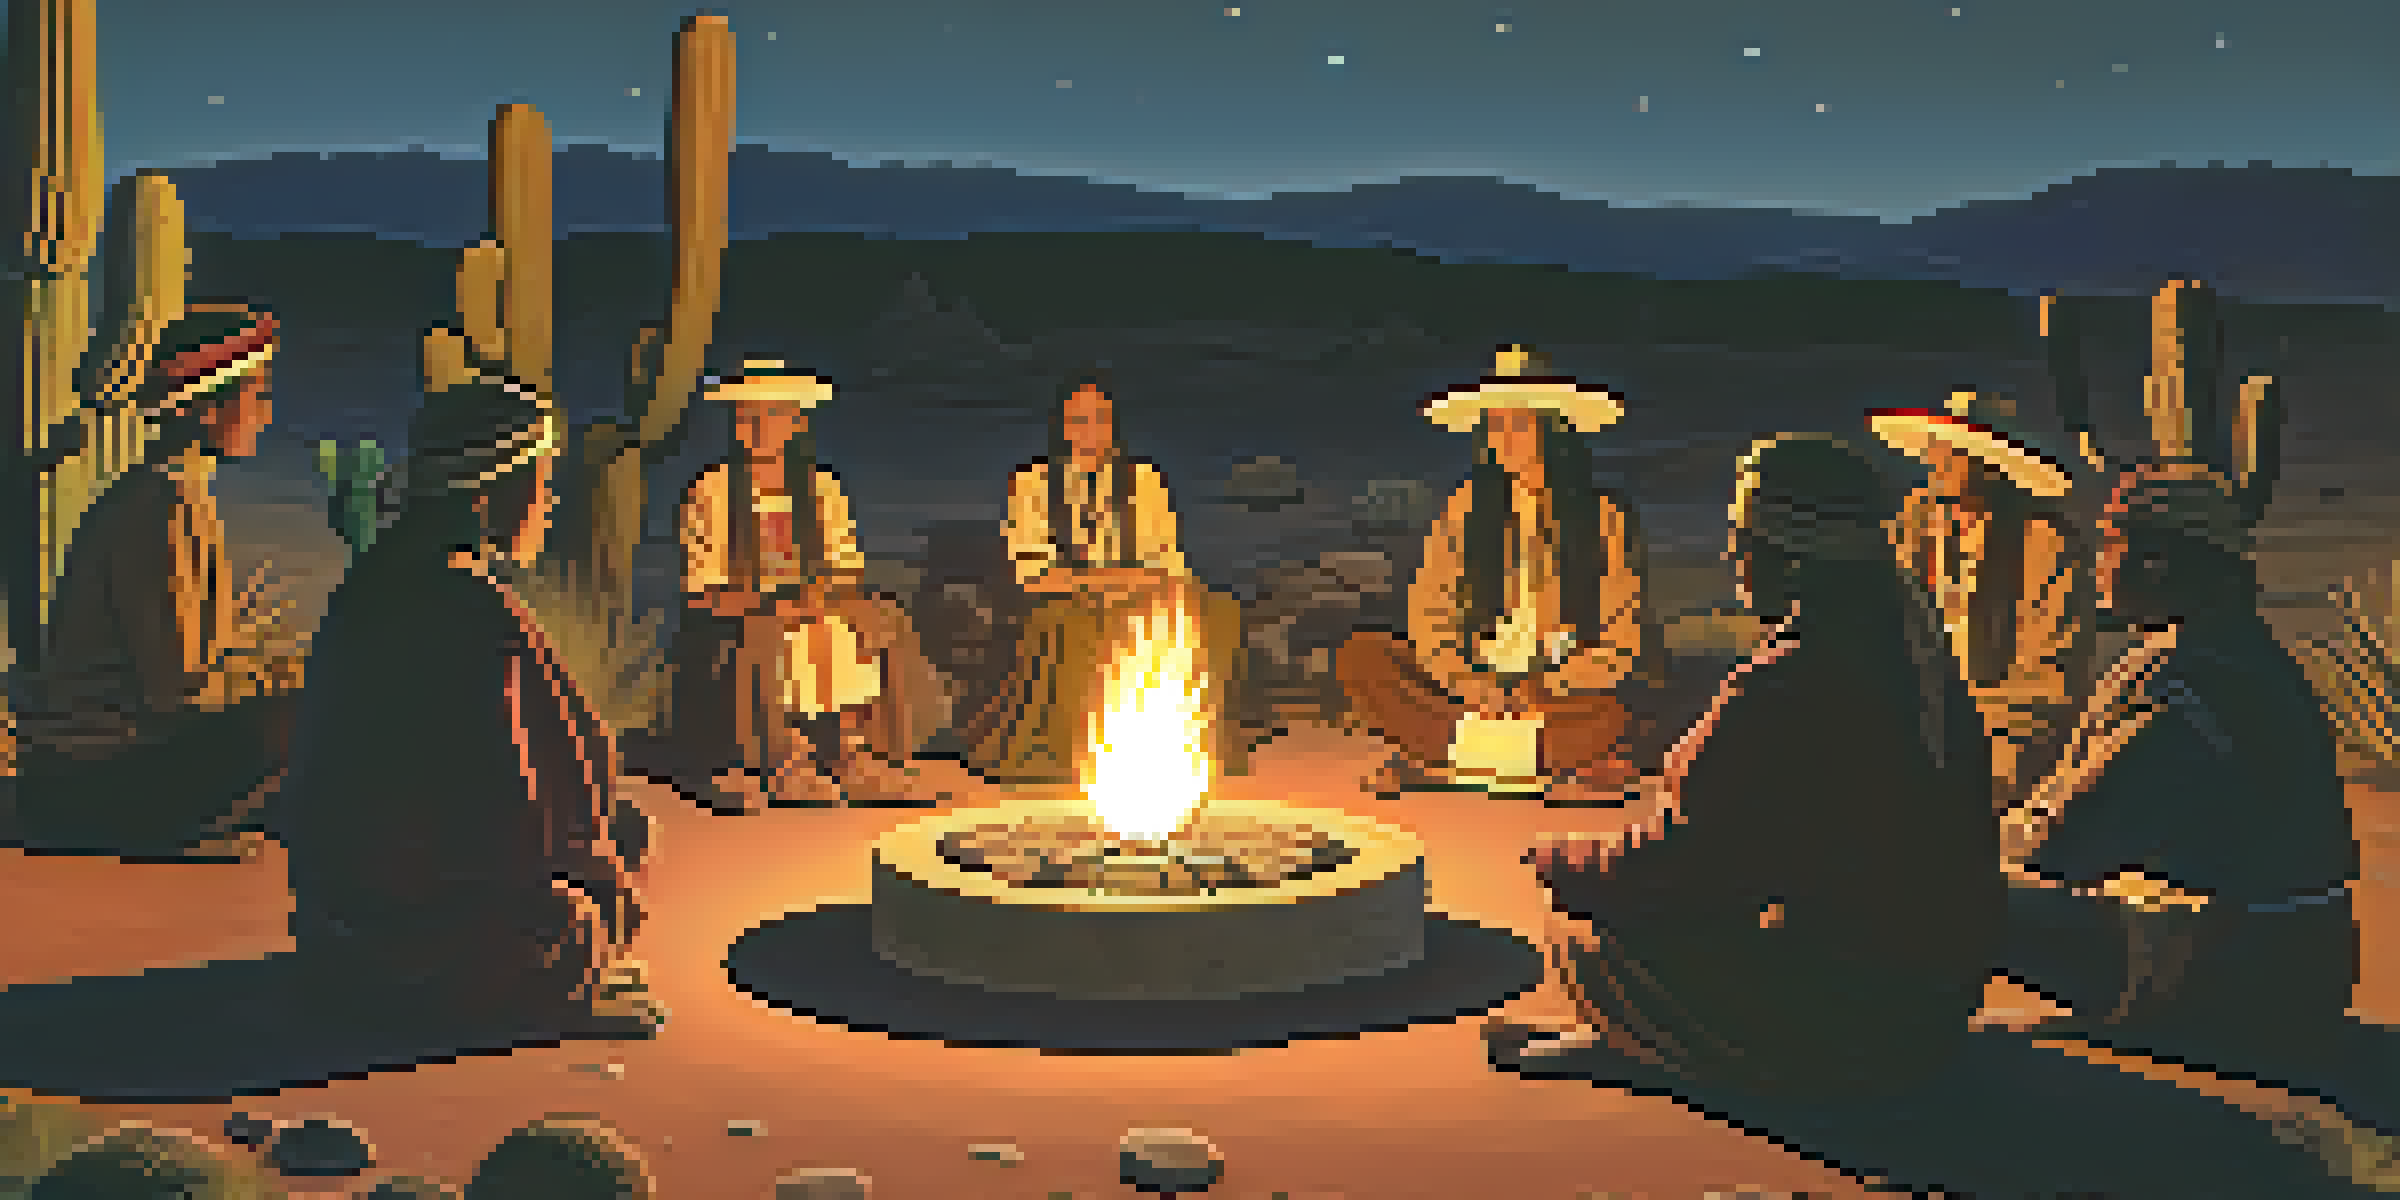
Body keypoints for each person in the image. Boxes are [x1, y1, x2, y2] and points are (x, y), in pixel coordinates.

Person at [1495, 433, 2002, 1099]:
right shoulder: (1912, 649)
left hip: (1865, 1019)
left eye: (1742, 542)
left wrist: (1561, 859)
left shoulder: (1788, 682)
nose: (1733, 561)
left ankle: (1676, 1050)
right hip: (1936, 1005)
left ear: (1787, 558)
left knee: (1579, 928)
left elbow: (1680, 864)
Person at [275, 376, 661, 1038]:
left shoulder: (376, 577)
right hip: (421, 936)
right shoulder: (470, 603)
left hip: (339, 921)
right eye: (541, 483)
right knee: (600, 874)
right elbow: (506, 803)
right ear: (492, 492)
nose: (549, 503)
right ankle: (544, 993)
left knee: (611, 837)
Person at [1999, 457, 2362, 1081]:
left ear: (2156, 562)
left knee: (1947, 891)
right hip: (2302, 961)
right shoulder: (2244, 654)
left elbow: (2065, 842)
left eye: (2108, 544)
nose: (2096, 566)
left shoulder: (2181, 680)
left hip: (2242, 971)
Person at [6, 304, 304, 861]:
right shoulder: (162, 508)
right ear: (209, 408)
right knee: (298, 718)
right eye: (257, 395)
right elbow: (177, 689)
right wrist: (278, 676)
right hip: (91, 781)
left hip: (97, 770)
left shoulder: (174, 497)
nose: (266, 414)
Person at [1335, 345, 1651, 805]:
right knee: (1363, 657)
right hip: (1472, 686)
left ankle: (1447, 758)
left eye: (1518, 426)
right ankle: (1522, 761)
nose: (1504, 440)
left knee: (1611, 716)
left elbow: (1622, 640)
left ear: (1553, 432)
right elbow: (1430, 613)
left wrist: (1545, 686)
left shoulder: (1603, 517)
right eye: (1495, 427)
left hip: (1552, 691)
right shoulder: (1466, 508)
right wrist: (1471, 685)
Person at [665, 359, 946, 811]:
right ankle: (786, 758)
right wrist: (769, 601)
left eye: (773, 415)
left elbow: (843, 564)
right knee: (771, 631)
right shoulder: (713, 491)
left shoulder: (821, 488)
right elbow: (704, 582)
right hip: (747, 607)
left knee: (869, 621)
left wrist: (819, 597)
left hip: (815, 599)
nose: (760, 428)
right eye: (748, 417)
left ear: (796, 423)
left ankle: (854, 753)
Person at [963, 373, 1249, 786]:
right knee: (1077, 626)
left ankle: (1182, 742)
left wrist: (1136, 585)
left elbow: (1165, 560)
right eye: (1079, 420)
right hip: (1067, 594)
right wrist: (1100, 583)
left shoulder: (1144, 479)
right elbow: (1033, 571)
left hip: (1140, 590)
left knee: (1216, 613)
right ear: (1063, 427)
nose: (1090, 430)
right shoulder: (1033, 482)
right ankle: (1084, 750)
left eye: (1100, 419)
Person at [1871, 389, 2096, 811]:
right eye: (1939, 447)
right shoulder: (1915, 526)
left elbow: (2050, 685)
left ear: (1992, 465)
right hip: (1917, 730)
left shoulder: (2047, 545)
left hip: (2005, 743)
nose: (1940, 459)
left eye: (1956, 450)